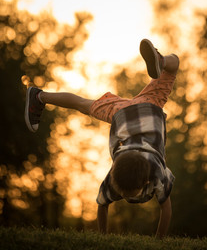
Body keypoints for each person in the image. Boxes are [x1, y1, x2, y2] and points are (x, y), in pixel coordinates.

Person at [25, 39, 179, 238]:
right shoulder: (134, 174)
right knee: (82, 104)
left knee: (173, 68)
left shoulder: (141, 173)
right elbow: (106, 206)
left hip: (146, 108)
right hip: (122, 113)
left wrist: (104, 238)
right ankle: (39, 97)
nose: (122, 196)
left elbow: (163, 209)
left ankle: (163, 61)